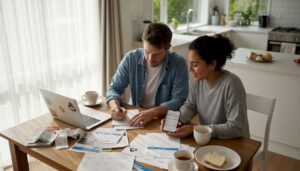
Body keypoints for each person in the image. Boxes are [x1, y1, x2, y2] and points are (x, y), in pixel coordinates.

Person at [163, 35, 250, 139]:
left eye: (195, 65)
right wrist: (176, 119)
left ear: (213, 63)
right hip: (208, 139)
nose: (190, 69)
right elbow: (190, 106)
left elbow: (236, 128)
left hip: (234, 143)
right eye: (189, 64)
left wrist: (198, 129)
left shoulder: (232, 84)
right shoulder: (199, 82)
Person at [107, 22, 189, 127]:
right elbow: (114, 88)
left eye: (157, 54)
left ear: (168, 48)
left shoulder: (179, 63)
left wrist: (154, 112)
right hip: (135, 116)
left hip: (163, 119)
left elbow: (179, 99)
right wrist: (115, 107)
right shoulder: (131, 58)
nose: (150, 58)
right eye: (147, 52)